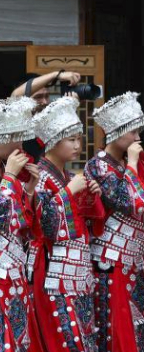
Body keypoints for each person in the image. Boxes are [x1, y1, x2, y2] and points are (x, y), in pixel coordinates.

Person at [85, 92, 144, 352]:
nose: (138, 139)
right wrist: (132, 164)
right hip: (113, 261)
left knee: (142, 323)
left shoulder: (132, 163)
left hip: (137, 259)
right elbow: (128, 201)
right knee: (120, 327)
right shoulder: (98, 166)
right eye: (133, 133)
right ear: (116, 132)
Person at [32, 95, 104, 352]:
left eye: (79, 139)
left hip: (78, 272)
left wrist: (89, 193)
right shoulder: (39, 178)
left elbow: (90, 219)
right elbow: (44, 225)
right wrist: (68, 193)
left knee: (83, 337)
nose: (78, 145)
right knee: (64, 338)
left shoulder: (69, 176)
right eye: (71, 139)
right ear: (52, 142)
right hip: (54, 271)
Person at [0, 97, 46, 352]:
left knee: (19, 336)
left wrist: (28, 189)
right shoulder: (9, 174)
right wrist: (9, 178)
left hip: (14, 270)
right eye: (15, 136)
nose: (20, 143)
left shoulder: (11, 174)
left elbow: (22, 223)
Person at [12, 70, 82, 106]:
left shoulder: (50, 117)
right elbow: (16, 95)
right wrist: (56, 75)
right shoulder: (14, 115)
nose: (45, 102)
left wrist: (70, 108)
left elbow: (74, 134)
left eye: (47, 96)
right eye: (38, 97)